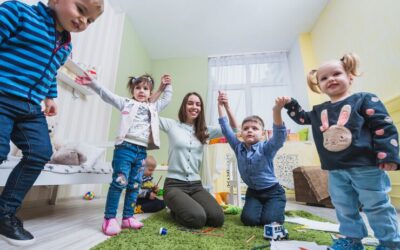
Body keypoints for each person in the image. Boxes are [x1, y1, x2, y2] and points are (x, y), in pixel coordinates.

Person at [0, 0, 104, 246]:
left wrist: (50, 97)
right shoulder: (18, 12)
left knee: (41, 152)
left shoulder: (65, 45)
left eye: (90, 20)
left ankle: (4, 213)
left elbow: (48, 72)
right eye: (80, 9)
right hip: (2, 96)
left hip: (29, 107)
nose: (83, 21)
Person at [281, 53, 400, 250]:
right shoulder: (319, 110)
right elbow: (302, 118)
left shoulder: (364, 99)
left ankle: (390, 243)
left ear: (350, 76)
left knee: (377, 205)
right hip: (335, 169)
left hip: (366, 166)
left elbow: (383, 126)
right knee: (344, 206)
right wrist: (290, 104)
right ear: (319, 86)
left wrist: (387, 155)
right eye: (324, 78)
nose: (331, 79)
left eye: (336, 73)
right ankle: (352, 240)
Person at [76, 74, 172, 236]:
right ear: (133, 90)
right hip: (124, 149)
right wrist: (92, 83)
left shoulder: (153, 107)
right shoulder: (126, 103)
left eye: (145, 89)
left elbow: (167, 99)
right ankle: (109, 219)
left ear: (150, 93)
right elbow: (107, 95)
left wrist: (168, 85)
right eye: (138, 88)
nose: (141, 91)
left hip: (141, 152)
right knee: (119, 183)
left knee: (135, 185)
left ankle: (128, 217)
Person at [159, 92, 237, 229]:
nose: (194, 107)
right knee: (197, 219)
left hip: (196, 185)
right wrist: (160, 93)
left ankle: (186, 206)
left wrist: (226, 106)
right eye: (190, 103)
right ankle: (173, 209)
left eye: (198, 104)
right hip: (174, 185)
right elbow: (150, 115)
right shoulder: (172, 125)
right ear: (184, 106)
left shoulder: (205, 130)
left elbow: (234, 129)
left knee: (217, 219)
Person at [217, 92, 287, 226]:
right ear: (241, 133)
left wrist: (277, 111)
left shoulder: (266, 148)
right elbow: (226, 129)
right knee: (248, 221)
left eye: (255, 128)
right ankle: (263, 209)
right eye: (246, 128)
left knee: (269, 222)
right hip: (253, 193)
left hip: (273, 192)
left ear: (263, 134)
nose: (250, 130)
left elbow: (279, 136)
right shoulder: (238, 147)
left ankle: (276, 209)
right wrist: (221, 106)